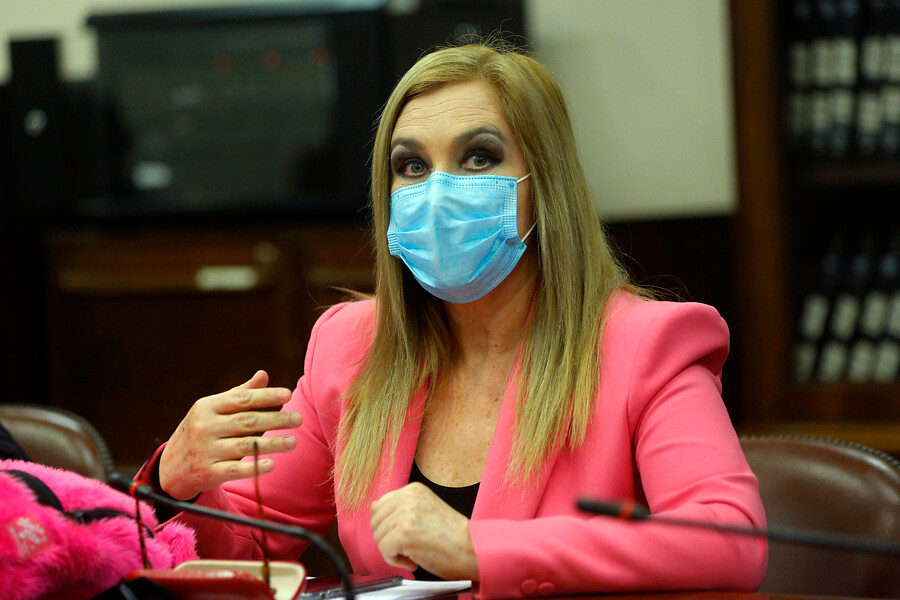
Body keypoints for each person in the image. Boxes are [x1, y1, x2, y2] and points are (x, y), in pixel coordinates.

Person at [144, 40, 767, 598]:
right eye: (412, 166)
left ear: (544, 185)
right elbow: (248, 553)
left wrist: (479, 550)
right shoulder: (350, 348)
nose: (438, 192)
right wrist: (178, 485)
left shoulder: (645, 344)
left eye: (477, 158)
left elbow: (730, 540)